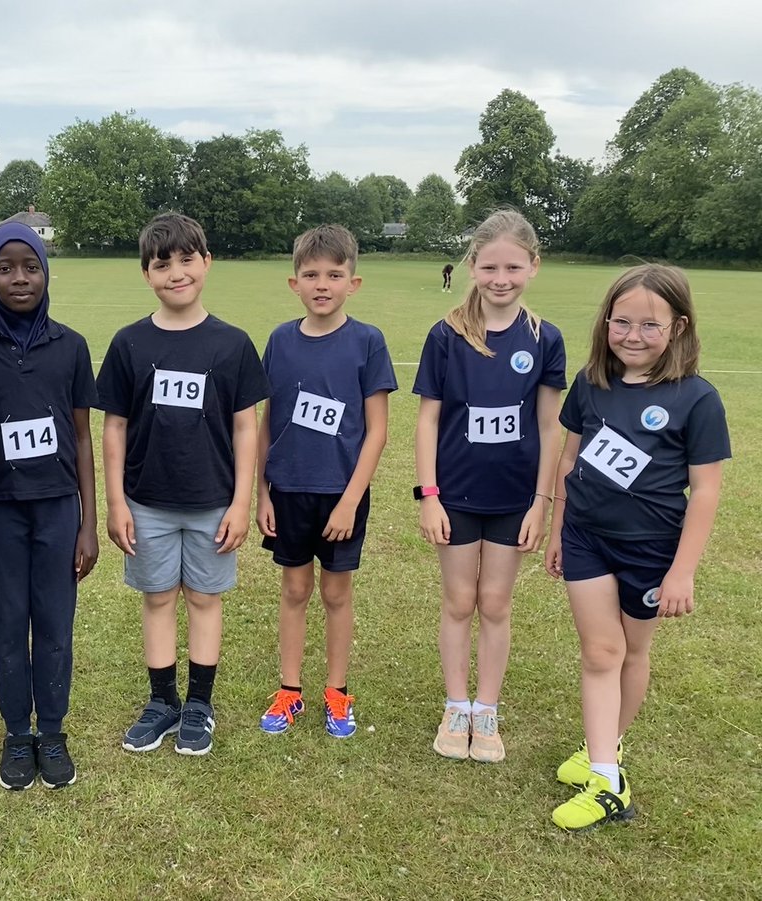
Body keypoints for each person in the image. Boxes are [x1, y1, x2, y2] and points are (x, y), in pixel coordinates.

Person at [545, 264, 729, 830]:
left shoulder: (697, 399)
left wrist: (682, 572)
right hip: (584, 539)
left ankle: (608, 749)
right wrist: (556, 530)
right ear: (605, 323)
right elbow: (570, 459)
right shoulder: (590, 383)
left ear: (678, 326)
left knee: (631, 651)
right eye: (621, 321)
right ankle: (607, 778)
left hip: (650, 551)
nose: (632, 335)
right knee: (600, 652)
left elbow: (705, 491)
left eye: (649, 325)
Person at [97, 213, 270, 756]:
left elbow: (247, 427)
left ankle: (199, 704)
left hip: (212, 502)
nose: (177, 272)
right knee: (157, 599)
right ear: (146, 273)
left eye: (187, 259)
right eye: (162, 263)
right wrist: (115, 502)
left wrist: (242, 502)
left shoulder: (233, 344)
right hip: (146, 502)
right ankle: (162, 701)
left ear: (207, 262)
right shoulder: (129, 343)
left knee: (203, 599)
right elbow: (114, 428)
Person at [412, 208, 566, 764]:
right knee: (458, 601)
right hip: (454, 496)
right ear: (473, 266)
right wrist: (428, 495)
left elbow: (551, 427)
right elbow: (428, 419)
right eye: (490, 267)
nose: (502, 279)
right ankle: (456, 707)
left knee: (496, 603)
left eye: (514, 267)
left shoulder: (545, 338)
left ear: (533, 267)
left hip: (514, 500)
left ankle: (486, 710)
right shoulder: (446, 336)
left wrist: (541, 503)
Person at [0, 223, 98, 790]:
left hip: (59, 509)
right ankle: (18, 734)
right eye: (5, 268)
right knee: (8, 626)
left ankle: (53, 731)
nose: (19, 279)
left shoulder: (71, 346)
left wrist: (88, 522)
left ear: (46, 273)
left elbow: (83, 437)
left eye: (30, 267)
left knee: (56, 624)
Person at [255, 225, 396, 738]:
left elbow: (377, 431)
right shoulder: (280, 341)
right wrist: (263, 491)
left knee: (336, 595)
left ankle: (337, 693)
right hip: (288, 491)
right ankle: (289, 691)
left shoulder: (367, 341)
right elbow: (268, 421)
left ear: (352, 283)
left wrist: (349, 502)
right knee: (294, 589)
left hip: (341, 495)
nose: (322, 284)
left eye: (334, 275)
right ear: (294, 282)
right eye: (311, 274)